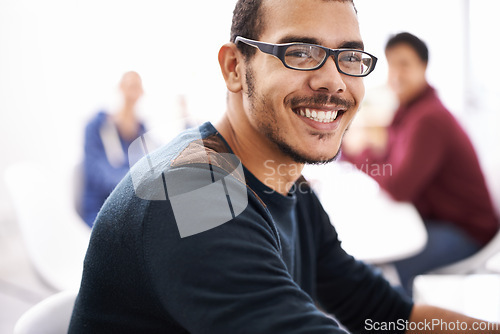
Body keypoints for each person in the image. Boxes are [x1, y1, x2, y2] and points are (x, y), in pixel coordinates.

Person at [70, 2, 500, 333]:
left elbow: (383, 314)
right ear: (235, 68)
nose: (333, 80)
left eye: (349, 58)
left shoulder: (284, 180)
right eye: (300, 52)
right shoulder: (191, 193)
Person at [342, 32, 499, 294]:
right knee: (371, 249)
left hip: (468, 233)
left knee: (382, 268)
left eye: (404, 64)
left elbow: (398, 186)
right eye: (391, 64)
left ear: (423, 67)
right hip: (437, 220)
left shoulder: (429, 118)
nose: (395, 74)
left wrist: (359, 153)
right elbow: (389, 161)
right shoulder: (410, 111)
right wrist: (355, 151)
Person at [81, 71, 146, 227]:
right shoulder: (98, 127)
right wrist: (134, 186)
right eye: (129, 85)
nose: (132, 91)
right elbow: (97, 173)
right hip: (101, 211)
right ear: (120, 88)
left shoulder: (142, 132)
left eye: (137, 86)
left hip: (132, 209)